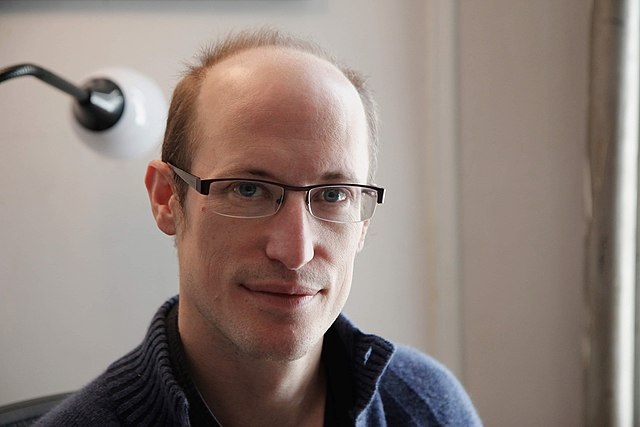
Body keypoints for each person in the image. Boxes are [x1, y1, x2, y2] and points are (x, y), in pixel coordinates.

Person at [38, 27, 481, 426]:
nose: (295, 251)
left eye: (333, 195)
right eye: (248, 190)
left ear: (364, 222)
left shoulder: (426, 404)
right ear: (167, 199)